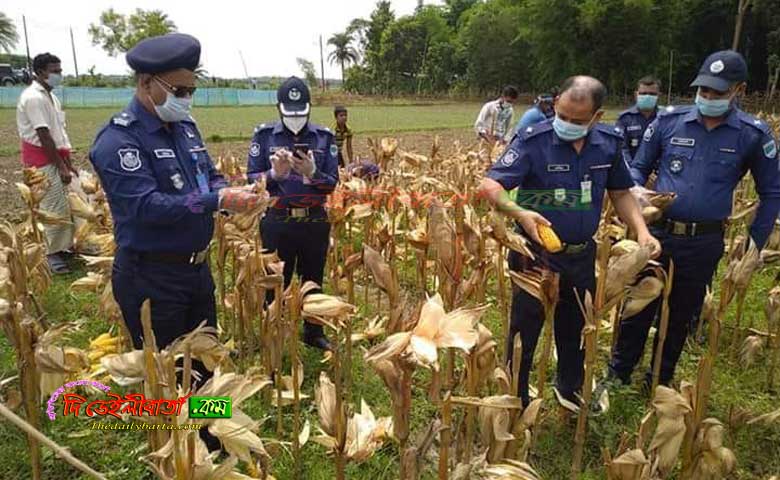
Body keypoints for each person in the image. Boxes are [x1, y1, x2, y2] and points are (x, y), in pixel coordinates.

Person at [479, 76, 661, 409]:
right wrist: (520, 213)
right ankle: (513, 399)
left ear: (597, 116)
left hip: (581, 255)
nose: (566, 124)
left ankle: (570, 388)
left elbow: (620, 192)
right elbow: (491, 185)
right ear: (555, 104)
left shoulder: (608, 143)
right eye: (561, 115)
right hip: (535, 254)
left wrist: (642, 231)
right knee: (524, 329)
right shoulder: (534, 139)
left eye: (577, 120)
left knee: (576, 327)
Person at [607, 50, 780, 391]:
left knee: (680, 312)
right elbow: (638, 167)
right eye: (704, 91)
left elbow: (773, 192)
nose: (708, 98)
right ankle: (618, 373)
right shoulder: (669, 122)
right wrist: (638, 194)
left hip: (704, 241)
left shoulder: (752, 134)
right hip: (656, 232)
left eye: (718, 93)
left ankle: (658, 378)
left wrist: (754, 245)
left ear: (739, 90)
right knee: (638, 305)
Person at [89, 33, 265, 363]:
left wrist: (231, 193)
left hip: (196, 271)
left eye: (191, 91)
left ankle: (209, 415)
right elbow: (146, 207)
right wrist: (216, 201)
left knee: (205, 370)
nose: (186, 99)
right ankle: (174, 415)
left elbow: (208, 175)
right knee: (168, 378)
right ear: (145, 83)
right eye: (178, 91)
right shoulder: (119, 141)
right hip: (151, 279)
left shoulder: (184, 127)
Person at [247, 76, 339, 351]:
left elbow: (331, 183)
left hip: (313, 219)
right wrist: (275, 174)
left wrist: (312, 172)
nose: (296, 118)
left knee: (313, 278)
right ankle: (272, 331)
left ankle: (313, 331)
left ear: (309, 108)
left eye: (301, 113)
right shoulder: (264, 136)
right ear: (279, 108)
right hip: (277, 219)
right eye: (290, 113)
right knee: (276, 279)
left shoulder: (324, 137)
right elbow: (253, 180)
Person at [16, 52, 76, 274]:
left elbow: (60, 133)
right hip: (41, 161)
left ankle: (64, 247)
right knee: (51, 206)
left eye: (60, 70)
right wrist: (61, 167)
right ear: (40, 72)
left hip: (56, 155)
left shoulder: (52, 97)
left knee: (65, 204)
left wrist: (68, 163)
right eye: (55, 71)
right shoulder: (33, 97)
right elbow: (44, 135)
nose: (59, 75)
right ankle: (51, 255)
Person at [616, 76, 662, 164]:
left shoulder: (665, 118)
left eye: (652, 94)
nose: (647, 96)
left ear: (659, 95)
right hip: (632, 169)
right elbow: (621, 148)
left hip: (659, 172)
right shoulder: (625, 118)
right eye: (643, 93)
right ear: (636, 94)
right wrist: (633, 171)